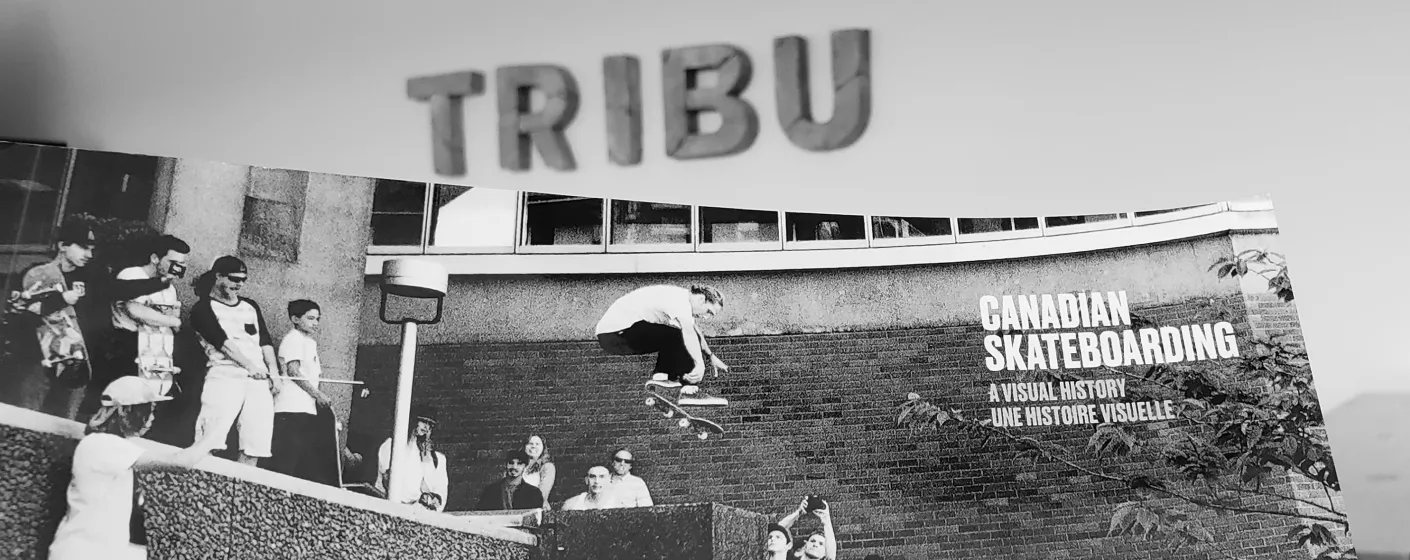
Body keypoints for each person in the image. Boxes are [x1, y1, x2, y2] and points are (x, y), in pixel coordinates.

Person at [47, 376, 215, 560]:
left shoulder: (110, 446)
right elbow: (180, 462)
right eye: (145, 410)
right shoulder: (104, 443)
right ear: (125, 411)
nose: (151, 417)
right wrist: (210, 439)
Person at [188, 256, 284, 467]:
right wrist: (250, 366)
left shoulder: (250, 306)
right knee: (211, 434)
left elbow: (265, 342)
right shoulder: (202, 309)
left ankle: (243, 489)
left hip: (258, 380)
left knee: (256, 438)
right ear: (218, 276)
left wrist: (274, 374)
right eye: (233, 279)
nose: (239, 284)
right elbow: (223, 343)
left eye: (243, 279)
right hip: (224, 374)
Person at [594, 284, 731, 406]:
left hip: (614, 336)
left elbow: (696, 333)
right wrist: (699, 365)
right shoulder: (679, 300)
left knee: (681, 336)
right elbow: (688, 333)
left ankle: (665, 382)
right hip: (616, 334)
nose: (706, 317)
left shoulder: (681, 302)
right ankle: (684, 388)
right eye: (708, 312)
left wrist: (710, 355)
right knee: (679, 336)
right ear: (702, 299)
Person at [265, 299, 340, 486]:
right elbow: (293, 371)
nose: (315, 323)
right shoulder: (293, 339)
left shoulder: (309, 342)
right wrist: (317, 395)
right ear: (295, 319)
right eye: (310, 318)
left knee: (301, 459)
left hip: (305, 409)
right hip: (290, 407)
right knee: (286, 458)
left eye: (317, 319)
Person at [109, 234, 190, 396]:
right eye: (173, 263)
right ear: (155, 258)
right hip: (128, 344)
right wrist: (172, 321)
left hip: (157, 348)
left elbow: (172, 321)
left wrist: (172, 321)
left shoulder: (169, 289)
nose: (177, 268)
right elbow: (136, 311)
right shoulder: (132, 275)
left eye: (181, 264)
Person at [376, 404, 449, 511]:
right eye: (423, 422)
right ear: (413, 422)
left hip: (418, 512)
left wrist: (431, 501)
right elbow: (387, 480)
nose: (426, 427)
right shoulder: (392, 445)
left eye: (430, 424)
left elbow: (440, 492)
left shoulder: (433, 458)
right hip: (392, 507)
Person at [476, 449, 545, 511]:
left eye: (519, 464)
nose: (514, 467)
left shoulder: (533, 493)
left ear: (525, 466)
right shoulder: (491, 491)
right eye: (511, 463)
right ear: (505, 464)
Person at [522, 435, 556, 506]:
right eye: (530, 444)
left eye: (537, 444)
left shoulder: (547, 467)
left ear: (543, 447)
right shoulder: (519, 466)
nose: (533, 446)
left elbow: (542, 494)